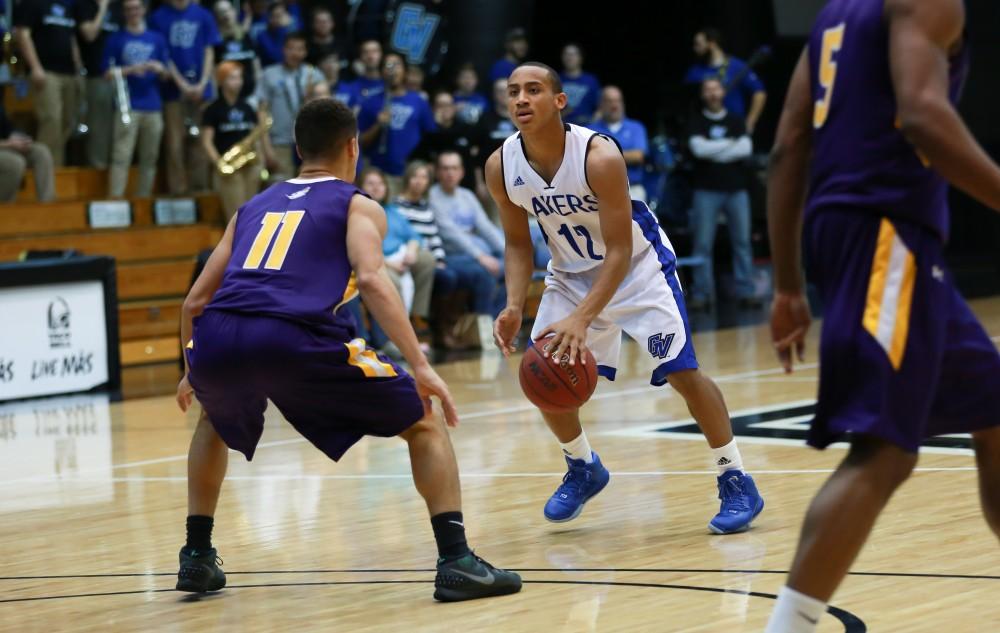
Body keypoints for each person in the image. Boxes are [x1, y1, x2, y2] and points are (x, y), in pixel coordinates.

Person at [173, 97, 521, 602]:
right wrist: (421, 365)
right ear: (354, 146)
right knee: (423, 416)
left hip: (221, 334)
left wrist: (194, 365)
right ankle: (457, 560)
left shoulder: (253, 205)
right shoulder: (358, 204)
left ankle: (196, 557)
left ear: (297, 149)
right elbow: (376, 281)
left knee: (213, 420)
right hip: (292, 334)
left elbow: (194, 300)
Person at [764, 0, 1000, 630]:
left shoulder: (835, 13)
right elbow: (923, 115)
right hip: (884, 230)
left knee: (994, 409)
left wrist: (787, 282)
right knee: (886, 451)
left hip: (867, 234)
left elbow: (789, 145)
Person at [488, 62, 764, 532]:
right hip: (570, 275)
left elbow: (618, 251)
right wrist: (515, 303)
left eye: (533, 90)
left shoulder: (599, 156)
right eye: (513, 91)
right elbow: (517, 243)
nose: (520, 99)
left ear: (559, 101)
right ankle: (582, 466)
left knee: (683, 373)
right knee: (544, 376)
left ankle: (735, 476)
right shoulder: (501, 165)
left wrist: (581, 319)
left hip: (637, 269)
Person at [396, 160, 495, 348]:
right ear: (407, 179)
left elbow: (434, 238)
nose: (418, 181)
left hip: (433, 259)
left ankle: (456, 328)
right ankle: (439, 329)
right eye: (415, 177)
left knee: (465, 274)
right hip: (411, 259)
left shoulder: (425, 206)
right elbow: (402, 237)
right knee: (449, 277)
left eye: (423, 177)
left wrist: (440, 260)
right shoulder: (397, 206)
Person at [685, 77, 757, 310]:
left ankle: (746, 291)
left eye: (716, 88)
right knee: (703, 244)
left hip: (736, 190)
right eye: (708, 89)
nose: (713, 93)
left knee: (742, 243)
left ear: (723, 92)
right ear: (703, 95)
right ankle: (701, 294)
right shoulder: (695, 121)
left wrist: (713, 149)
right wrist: (729, 145)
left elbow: (746, 148)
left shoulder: (736, 120)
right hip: (706, 190)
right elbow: (698, 149)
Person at [359, 166, 436, 355]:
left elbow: (415, 237)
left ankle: (418, 319)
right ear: (360, 187)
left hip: (400, 257)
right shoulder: (358, 212)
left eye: (380, 184)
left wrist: (410, 251)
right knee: (392, 281)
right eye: (371, 184)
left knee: (426, 259)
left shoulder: (392, 211)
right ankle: (395, 337)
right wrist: (388, 263)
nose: (376, 188)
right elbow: (360, 252)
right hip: (378, 263)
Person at [149, 0, 220, 194]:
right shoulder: (158, 17)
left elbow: (209, 50)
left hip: (202, 89)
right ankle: (178, 191)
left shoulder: (203, 14)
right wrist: (182, 84)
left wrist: (204, 82)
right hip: (172, 90)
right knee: (174, 143)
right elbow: (162, 55)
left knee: (200, 141)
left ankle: (200, 188)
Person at [103, 0, 169, 198]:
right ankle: (115, 199)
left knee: (150, 157)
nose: (133, 12)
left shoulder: (157, 39)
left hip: (153, 105)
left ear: (144, 10)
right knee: (121, 155)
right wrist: (131, 69)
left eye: (136, 8)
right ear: (123, 12)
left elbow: (167, 73)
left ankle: (143, 199)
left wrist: (159, 69)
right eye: (128, 9)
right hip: (127, 105)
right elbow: (106, 73)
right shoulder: (116, 39)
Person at [12, 0, 82, 167]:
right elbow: (23, 35)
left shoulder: (66, 6)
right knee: (51, 120)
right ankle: (47, 172)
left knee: (67, 122)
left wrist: (78, 67)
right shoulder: (32, 4)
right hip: (46, 72)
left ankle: (56, 167)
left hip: (69, 72)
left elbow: (71, 40)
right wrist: (35, 67)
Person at [358, 53, 435, 185]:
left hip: (411, 174)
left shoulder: (418, 101)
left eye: (397, 65)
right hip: (379, 175)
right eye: (388, 65)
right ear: (382, 71)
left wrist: (429, 163)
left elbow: (431, 137)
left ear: (405, 71)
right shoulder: (370, 102)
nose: (393, 69)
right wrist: (378, 125)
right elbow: (360, 142)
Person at [202, 62, 265, 220]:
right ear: (222, 81)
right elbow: (206, 141)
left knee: (252, 212)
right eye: (232, 78)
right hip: (229, 168)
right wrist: (219, 163)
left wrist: (260, 161)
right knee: (235, 215)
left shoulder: (247, 107)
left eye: (239, 78)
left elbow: (254, 137)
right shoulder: (212, 109)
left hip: (249, 165)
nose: (238, 81)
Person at [257, 31, 323, 181]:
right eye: (291, 48)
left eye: (300, 49)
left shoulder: (313, 74)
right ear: (283, 50)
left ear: (305, 52)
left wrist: (311, 97)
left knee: (309, 193)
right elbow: (261, 112)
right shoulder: (269, 74)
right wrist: (266, 149)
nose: (295, 53)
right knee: (281, 195)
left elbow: (325, 106)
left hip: (308, 145)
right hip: (279, 143)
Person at [684, 28, 767, 134]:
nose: (695, 49)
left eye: (698, 44)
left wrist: (750, 121)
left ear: (712, 43)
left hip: (734, 127)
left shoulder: (737, 66)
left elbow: (759, 92)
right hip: (704, 129)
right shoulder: (695, 71)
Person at [77, 0, 122, 169]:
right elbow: (90, 34)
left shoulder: (118, 7)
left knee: (119, 127)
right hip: (96, 75)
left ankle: (116, 168)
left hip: (122, 76)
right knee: (99, 127)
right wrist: (102, 8)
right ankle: (98, 168)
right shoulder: (85, 6)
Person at [590, 86, 649, 202]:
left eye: (618, 100)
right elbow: (586, 160)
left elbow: (638, 156)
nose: (614, 105)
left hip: (632, 189)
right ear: (601, 105)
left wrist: (602, 154)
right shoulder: (589, 130)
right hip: (598, 192)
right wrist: (624, 155)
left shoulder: (636, 127)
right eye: (609, 101)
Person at [414, 91, 481, 191]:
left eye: (448, 105)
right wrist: (436, 125)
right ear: (433, 108)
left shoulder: (466, 128)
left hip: (466, 187)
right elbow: (420, 156)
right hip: (438, 189)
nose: (445, 108)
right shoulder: (429, 132)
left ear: (454, 107)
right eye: (440, 105)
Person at [0, 102, 55, 202]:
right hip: (4, 146)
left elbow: (6, 127)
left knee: (41, 152)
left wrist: (19, 138)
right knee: (15, 163)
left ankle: (48, 205)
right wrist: (8, 144)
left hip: (7, 144)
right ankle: (5, 208)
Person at [213, 0, 260, 99]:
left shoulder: (246, 36)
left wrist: (258, 91)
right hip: (226, 97)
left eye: (227, 10)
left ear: (234, 12)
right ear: (216, 17)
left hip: (251, 94)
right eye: (221, 12)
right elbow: (214, 70)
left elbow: (255, 63)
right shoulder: (216, 41)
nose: (225, 14)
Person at [558, 44, 600, 126]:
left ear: (580, 58)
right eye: (566, 54)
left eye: (573, 54)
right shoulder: (556, 80)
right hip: (562, 128)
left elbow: (600, 108)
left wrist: (594, 125)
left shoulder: (591, 81)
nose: (570, 57)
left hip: (587, 128)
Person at [255, 0, 291, 67]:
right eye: (277, 16)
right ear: (269, 18)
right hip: (270, 70)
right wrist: (283, 29)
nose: (281, 19)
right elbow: (276, 57)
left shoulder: (288, 32)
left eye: (282, 15)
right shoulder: (262, 36)